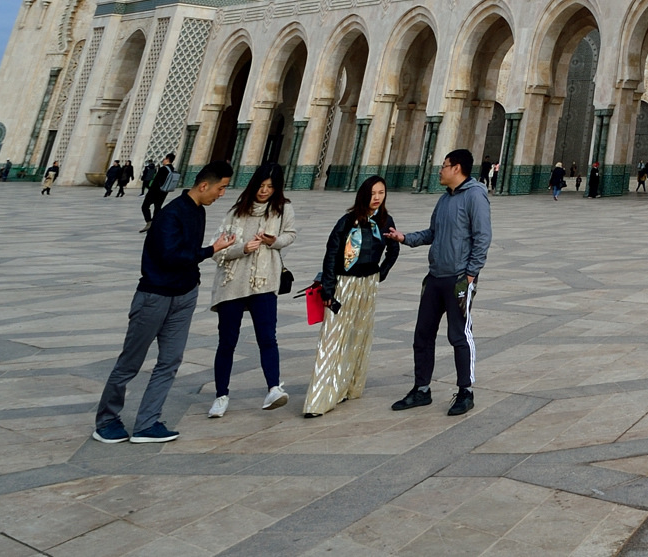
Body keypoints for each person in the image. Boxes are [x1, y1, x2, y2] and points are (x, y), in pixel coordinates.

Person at [93, 160, 238, 445]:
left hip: (183, 296)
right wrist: (211, 250)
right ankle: (106, 421)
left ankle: (147, 422)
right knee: (130, 361)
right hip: (155, 296)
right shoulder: (170, 214)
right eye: (220, 188)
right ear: (204, 185)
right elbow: (170, 257)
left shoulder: (198, 211)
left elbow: (187, 254)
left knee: (170, 361)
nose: (222, 194)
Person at [386, 149, 490, 418]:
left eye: (444, 166)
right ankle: (422, 389)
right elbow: (433, 233)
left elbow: (482, 236)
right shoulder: (445, 199)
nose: (440, 171)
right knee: (423, 334)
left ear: (457, 168)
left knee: (459, 334)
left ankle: (465, 391)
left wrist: (470, 274)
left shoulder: (475, 196)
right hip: (435, 278)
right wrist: (405, 238)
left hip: (459, 280)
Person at [302, 176, 399, 417]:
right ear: (363, 194)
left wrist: (381, 272)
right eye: (373, 193)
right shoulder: (347, 221)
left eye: (381, 193)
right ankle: (319, 400)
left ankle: (348, 386)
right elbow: (331, 254)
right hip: (344, 283)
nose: (377, 198)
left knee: (358, 334)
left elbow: (393, 249)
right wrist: (328, 288)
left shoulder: (385, 222)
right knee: (332, 337)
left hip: (368, 285)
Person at [207, 166, 297, 417]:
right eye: (261, 186)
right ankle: (221, 395)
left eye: (270, 187)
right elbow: (217, 250)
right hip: (233, 283)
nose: (264, 191)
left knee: (267, 337)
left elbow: (290, 235)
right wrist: (243, 248)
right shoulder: (236, 213)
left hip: (264, 282)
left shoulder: (282, 209)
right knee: (227, 341)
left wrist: (273, 241)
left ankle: (274, 388)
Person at [141, 155, 175, 229]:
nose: (163, 160)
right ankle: (155, 224)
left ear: (167, 159)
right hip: (164, 192)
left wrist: (150, 190)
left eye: (164, 159)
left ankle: (149, 222)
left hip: (155, 191)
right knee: (157, 208)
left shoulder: (163, 169)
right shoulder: (172, 169)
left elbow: (156, 181)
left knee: (145, 206)